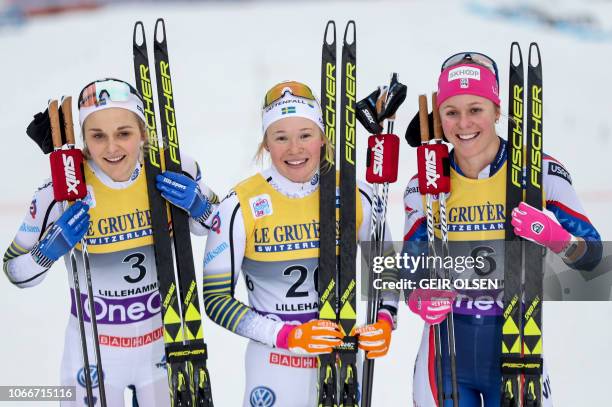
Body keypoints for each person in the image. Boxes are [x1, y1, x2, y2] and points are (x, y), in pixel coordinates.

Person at [402, 53, 602, 406]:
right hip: (445, 352)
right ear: (440, 117)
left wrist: (556, 238)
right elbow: (410, 265)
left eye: (476, 109)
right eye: (452, 111)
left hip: (517, 341)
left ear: (497, 111)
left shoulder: (539, 170)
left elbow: (593, 256)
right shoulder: (425, 182)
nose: (464, 123)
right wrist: (418, 295)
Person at [3, 78, 218, 406]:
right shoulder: (61, 190)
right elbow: (14, 270)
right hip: (92, 353)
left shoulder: (176, 167)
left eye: (124, 133)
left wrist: (200, 206)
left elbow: (220, 228)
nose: (112, 148)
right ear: (85, 140)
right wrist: (49, 250)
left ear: (142, 133)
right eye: (98, 136)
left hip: (164, 344)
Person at [201, 80, 399, 406]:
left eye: (305, 135)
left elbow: (387, 267)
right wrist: (287, 336)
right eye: (281, 137)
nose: (295, 149)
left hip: (342, 360)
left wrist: (385, 320)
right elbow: (216, 300)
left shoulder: (355, 194)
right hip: (275, 362)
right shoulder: (240, 204)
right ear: (266, 143)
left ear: (322, 138)